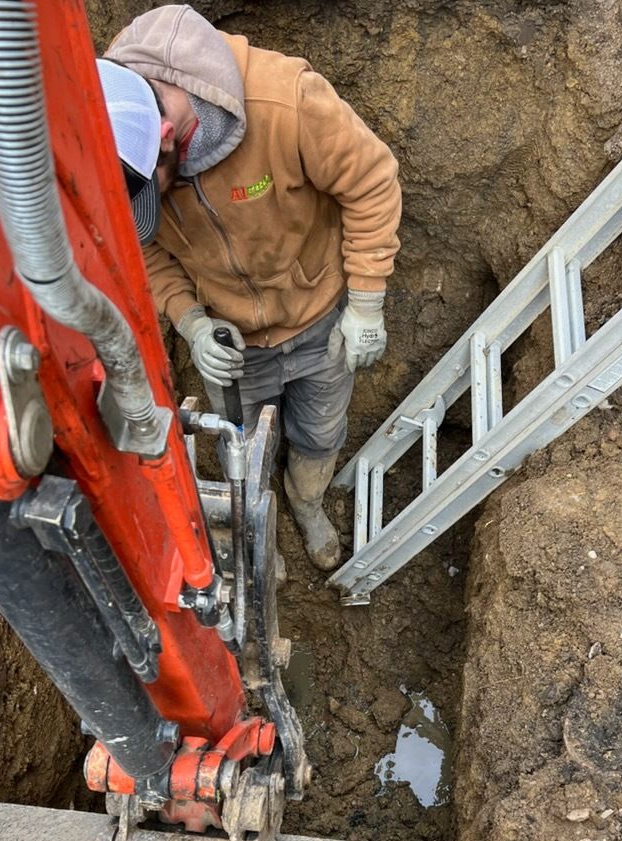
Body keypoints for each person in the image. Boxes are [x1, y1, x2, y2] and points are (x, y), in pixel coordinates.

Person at [96, 6, 402, 571]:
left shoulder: (285, 103)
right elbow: (147, 250)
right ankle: (260, 529)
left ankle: (305, 502)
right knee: (242, 444)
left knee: (319, 431)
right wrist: (189, 321)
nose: (153, 206)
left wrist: (365, 301)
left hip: (319, 320)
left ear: (166, 137)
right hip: (232, 341)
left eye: (153, 192)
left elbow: (372, 183)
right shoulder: (107, 119)